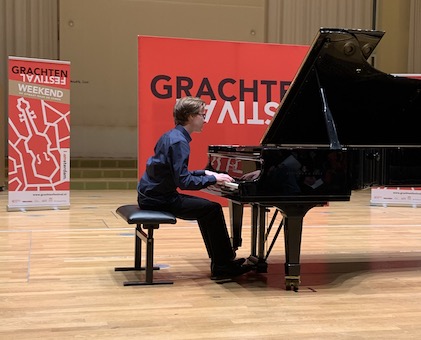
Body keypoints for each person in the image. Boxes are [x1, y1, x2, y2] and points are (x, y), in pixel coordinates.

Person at [137, 96, 251, 280]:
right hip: (160, 200)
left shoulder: (171, 136)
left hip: (150, 195)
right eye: (202, 115)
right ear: (190, 116)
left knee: (207, 210)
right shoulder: (179, 142)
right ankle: (222, 264)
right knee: (211, 209)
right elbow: (183, 182)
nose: (204, 119)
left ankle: (222, 261)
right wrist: (212, 178)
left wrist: (203, 173)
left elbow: (176, 173)